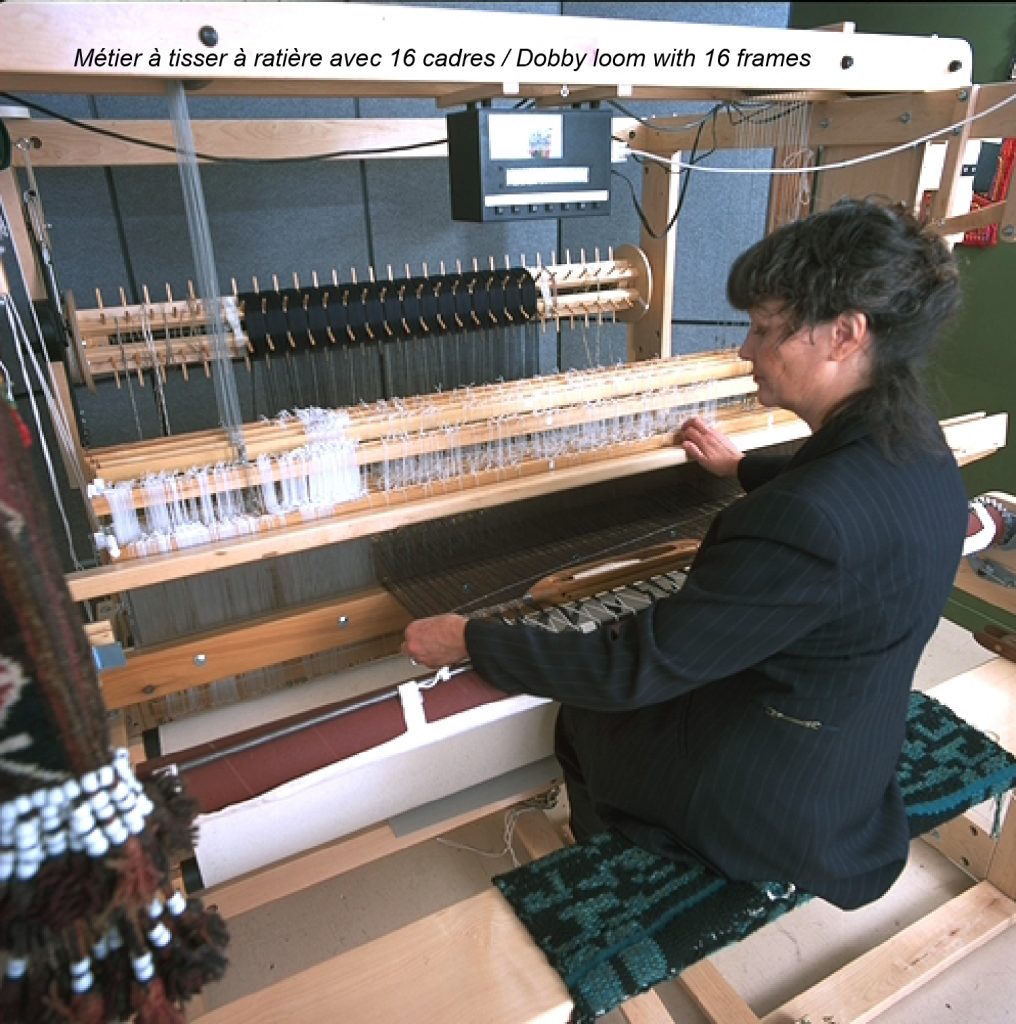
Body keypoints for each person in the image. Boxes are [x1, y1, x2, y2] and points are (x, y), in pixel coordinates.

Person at [401, 199, 969, 911]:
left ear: (845, 335)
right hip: (848, 752)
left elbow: (630, 670)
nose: (745, 350)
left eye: (763, 328)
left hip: (768, 807)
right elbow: (839, 491)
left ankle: (610, 875)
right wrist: (743, 468)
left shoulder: (805, 520)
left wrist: (470, 638)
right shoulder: (919, 441)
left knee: (586, 720)